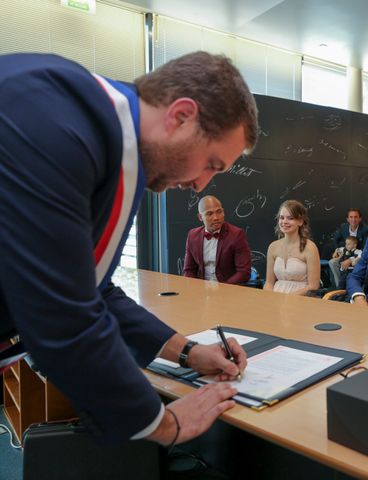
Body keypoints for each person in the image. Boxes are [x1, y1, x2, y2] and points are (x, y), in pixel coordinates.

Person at [0, 51, 258, 445]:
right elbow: (63, 315)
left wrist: (188, 351)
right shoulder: (56, 122)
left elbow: (94, 288)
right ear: (181, 116)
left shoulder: (100, 131)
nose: (202, 184)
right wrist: (164, 423)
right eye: (212, 163)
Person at [183, 195, 251, 284]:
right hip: (201, 289)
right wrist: (195, 289)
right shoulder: (193, 235)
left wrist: (221, 289)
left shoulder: (236, 234)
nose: (216, 217)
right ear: (200, 217)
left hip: (229, 289)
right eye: (209, 213)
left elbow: (244, 272)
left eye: (219, 212)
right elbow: (189, 270)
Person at [264, 200, 321, 295]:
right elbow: (269, 283)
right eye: (281, 218)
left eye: (290, 218)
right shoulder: (273, 247)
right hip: (275, 300)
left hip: (300, 300)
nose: (284, 222)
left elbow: (313, 286)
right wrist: (270, 298)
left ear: (300, 221)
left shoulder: (310, 247)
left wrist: (288, 299)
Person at [328, 209, 368, 288]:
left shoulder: (366, 229)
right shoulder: (343, 227)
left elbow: (366, 248)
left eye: (356, 217)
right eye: (351, 217)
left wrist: (350, 260)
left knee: (357, 264)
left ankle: (355, 286)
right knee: (332, 262)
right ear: (347, 219)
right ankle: (339, 287)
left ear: (360, 219)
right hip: (344, 254)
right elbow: (335, 240)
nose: (353, 220)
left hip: (358, 256)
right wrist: (337, 251)